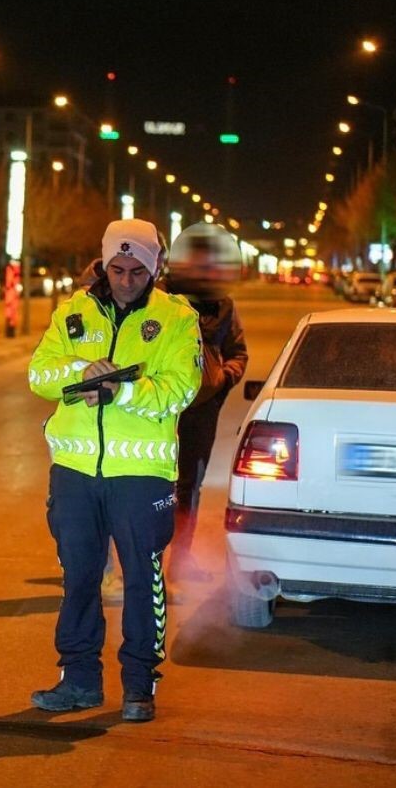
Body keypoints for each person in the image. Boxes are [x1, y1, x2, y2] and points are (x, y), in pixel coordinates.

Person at [27, 218, 200, 722]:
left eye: (137, 271)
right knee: (79, 578)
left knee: (142, 579)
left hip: (140, 477)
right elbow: (39, 373)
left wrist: (121, 390)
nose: (126, 281)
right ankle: (78, 680)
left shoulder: (176, 319)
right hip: (76, 473)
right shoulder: (72, 312)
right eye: (118, 269)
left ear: (155, 268)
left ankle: (140, 683)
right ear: (104, 265)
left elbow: (179, 390)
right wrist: (80, 371)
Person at [162, 228, 248, 582]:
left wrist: (222, 379)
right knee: (150, 485)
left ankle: (181, 559)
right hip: (159, 409)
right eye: (196, 260)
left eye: (210, 261)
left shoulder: (224, 306)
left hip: (201, 411)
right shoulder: (159, 299)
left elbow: (238, 353)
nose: (203, 268)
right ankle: (146, 559)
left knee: (189, 485)